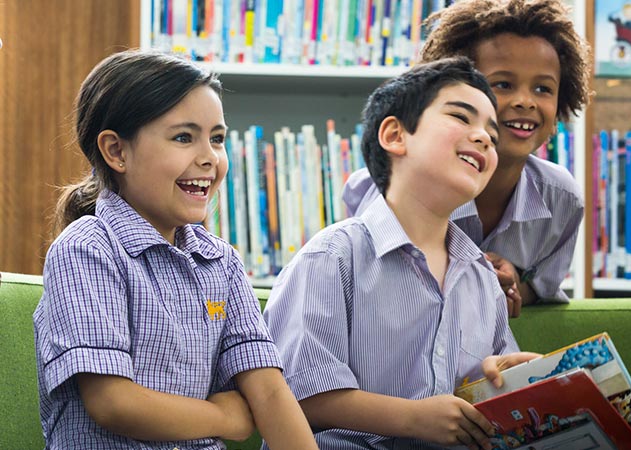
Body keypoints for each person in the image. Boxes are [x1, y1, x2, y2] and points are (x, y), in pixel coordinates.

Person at [33, 49, 318, 450]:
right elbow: (114, 403)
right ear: (116, 152)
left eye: (216, 139)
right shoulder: (87, 249)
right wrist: (224, 417)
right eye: (183, 137)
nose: (209, 158)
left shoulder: (222, 262)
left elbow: (269, 392)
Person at [263, 56, 539, 450]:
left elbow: (488, 393)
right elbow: (293, 394)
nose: (483, 138)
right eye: (461, 118)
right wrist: (412, 417)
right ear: (395, 135)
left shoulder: (482, 278)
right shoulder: (331, 258)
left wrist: (503, 378)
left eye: (492, 138)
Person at [343, 0, 592, 317]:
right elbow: (368, 285)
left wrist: (514, 283)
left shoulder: (562, 198)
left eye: (543, 88)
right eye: (502, 84)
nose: (525, 102)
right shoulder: (395, 181)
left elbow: (542, 288)